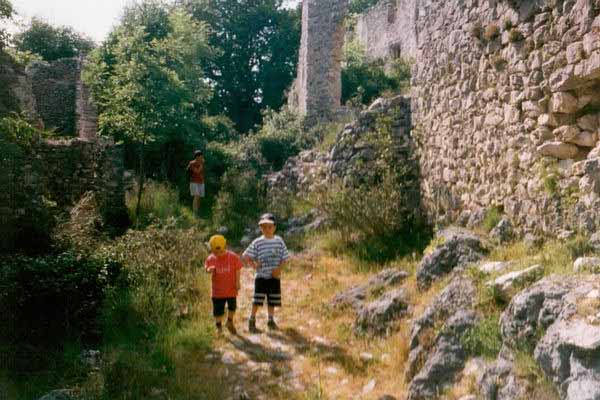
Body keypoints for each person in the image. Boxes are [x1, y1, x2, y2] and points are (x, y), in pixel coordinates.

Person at [242, 213, 289, 333]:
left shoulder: (279, 241)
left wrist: (279, 269)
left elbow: (285, 258)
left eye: (269, 226)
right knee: (257, 300)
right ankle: (252, 320)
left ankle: (271, 320)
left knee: (272, 300)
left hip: (274, 277)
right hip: (261, 277)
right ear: (260, 228)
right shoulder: (258, 242)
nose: (266, 229)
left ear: (274, 227)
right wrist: (254, 265)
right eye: (263, 227)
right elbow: (245, 256)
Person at [205, 234, 242, 334]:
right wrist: (209, 270)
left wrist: (237, 282)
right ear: (212, 250)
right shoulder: (211, 258)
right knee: (218, 310)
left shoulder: (233, 257)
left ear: (225, 247)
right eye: (215, 252)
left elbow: (238, 269)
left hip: (231, 289)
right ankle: (218, 327)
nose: (218, 254)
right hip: (217, 291)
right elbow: (207, 268)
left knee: (232, 307)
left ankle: (229, 322)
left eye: (220, 252)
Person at [187, 150, 205, 215]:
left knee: (199, 197)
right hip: (194, 182)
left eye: (202, 156)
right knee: (196, 196)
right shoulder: (191, 163)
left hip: (201, 182)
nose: (202, 157)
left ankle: (198, 211)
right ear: (197, 157)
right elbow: (197, 171)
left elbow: (202, 172)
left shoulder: (202, 163)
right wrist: (201, 164)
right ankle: (195, 212)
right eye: (201, 156)